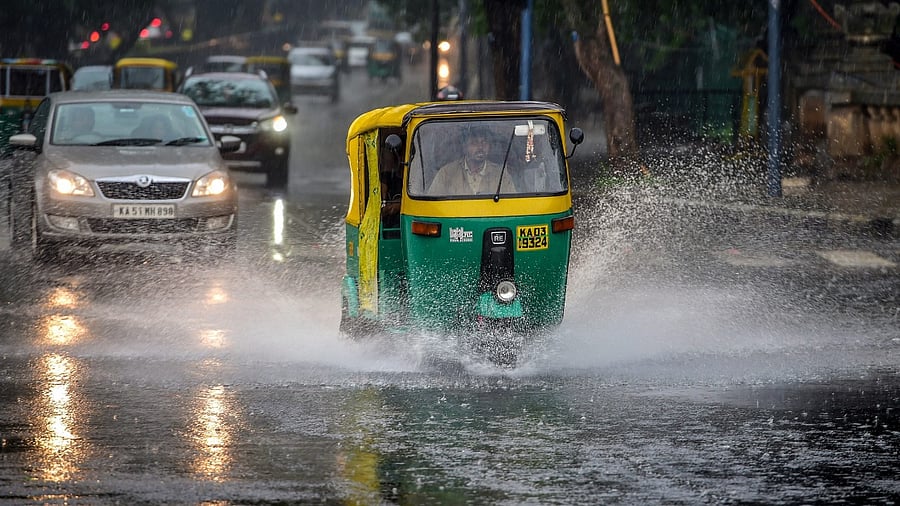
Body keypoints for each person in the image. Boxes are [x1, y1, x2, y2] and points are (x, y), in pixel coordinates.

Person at [428, 126, 516, 196]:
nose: (480, 147)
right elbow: (432, 205)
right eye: (474, 143)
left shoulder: (501, 174)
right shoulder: (446, 173)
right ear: (464, 146)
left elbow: (513, 205)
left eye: (484, 142)